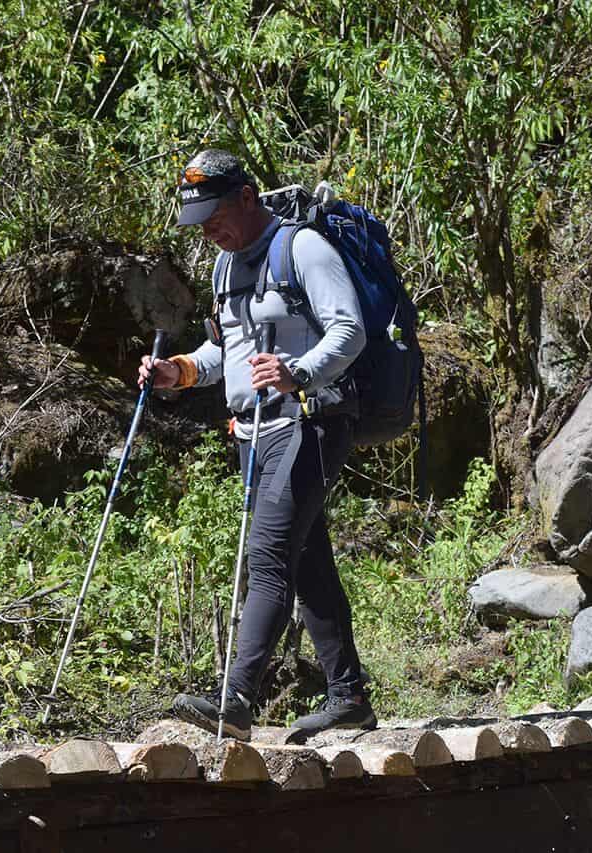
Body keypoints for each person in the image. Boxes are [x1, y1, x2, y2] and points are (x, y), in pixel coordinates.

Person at [138, 149, 377, 741]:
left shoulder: (302, 249)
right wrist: (180, 371)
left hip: (308, 422)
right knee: (305, 560)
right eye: (200, 223)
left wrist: (300, 370)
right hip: (252, 432)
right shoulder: (225, 268)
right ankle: (348, 696)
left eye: (214, 216)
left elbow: (350, 329)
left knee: (268, 559)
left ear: (246, 198)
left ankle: (234, 700)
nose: (209, 232)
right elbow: (229, 354)